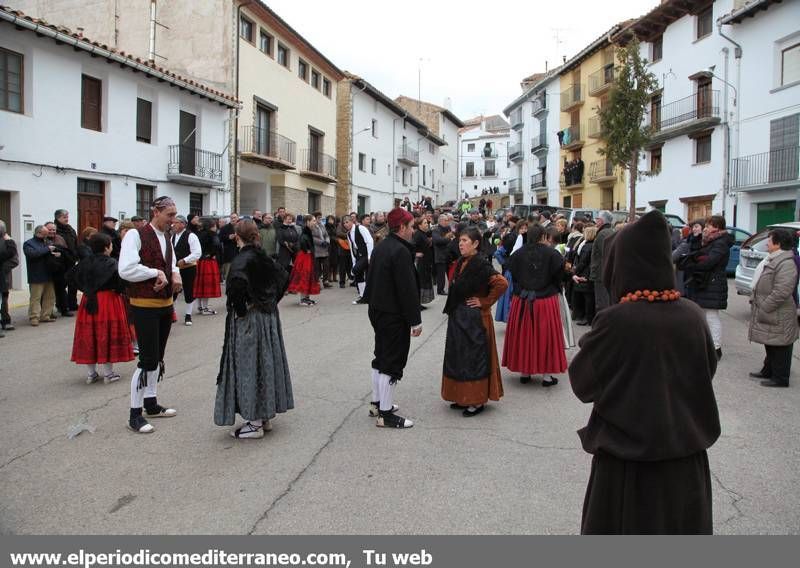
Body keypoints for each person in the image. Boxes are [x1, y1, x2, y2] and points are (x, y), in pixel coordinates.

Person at [569, 210, 720, 534]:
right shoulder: (693, 316)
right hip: (686, 468)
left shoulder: (617, 321)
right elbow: (707, 370)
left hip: (628, 471)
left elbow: (582, 383)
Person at [215, 219, 293, 438]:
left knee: (249, 366)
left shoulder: (242, 260)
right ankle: (263, 417)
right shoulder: (262, 255)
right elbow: (284, 277)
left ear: (237, 237)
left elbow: (237, 286)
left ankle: (255, 423)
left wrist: (242, 311)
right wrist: (270, 301)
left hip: (251, 319)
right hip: (267, 319)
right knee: (264, 363)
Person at [118, 196, 182, 434]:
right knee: (147, 360)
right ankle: (134, 414)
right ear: (156, 212)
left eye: (175, 215)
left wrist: (175, 274)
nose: (173, 220)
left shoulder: (166, 236)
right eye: (170, 215)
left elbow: (171, 262)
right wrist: (154, 271)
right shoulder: (136, 235)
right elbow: (125, 269)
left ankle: (151, 404)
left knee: (158, 357)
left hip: (165, 303)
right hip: (144, 304)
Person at [363, 208, 421, 428]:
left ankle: (378, 403)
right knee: (392, 361)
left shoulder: (382, 246)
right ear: (402, 227)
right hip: (392, 313)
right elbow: (407, 290)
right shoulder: (400, 251)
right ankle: (385, 415)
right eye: (412, 226)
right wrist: (415, 320)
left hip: (378, 309)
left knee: (381, 356)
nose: (413, 231)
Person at [441, 227, 508, 416]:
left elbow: (502, 283)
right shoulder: (463, 261)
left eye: (464, 240)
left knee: (474, 359)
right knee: (460, 358)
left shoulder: (480, 264)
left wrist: (484, 302)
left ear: (476, 244)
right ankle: (462, 397)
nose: (460, 244)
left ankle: (476, 401)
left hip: (474, 320)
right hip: (459, 318)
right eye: (459, 240)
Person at [502, 225, 567, 387]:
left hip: (523, 300)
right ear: (543, 237)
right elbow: (559, 275)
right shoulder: (552, 253)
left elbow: (511, 272)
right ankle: (546, 376)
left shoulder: (518, 254)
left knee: (525, 335)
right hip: (545, 300)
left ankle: (525, 372)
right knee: (546, 336)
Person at [70, 232, 134, 384]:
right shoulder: (112, 262)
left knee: (89, 334)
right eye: (111, 245)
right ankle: (108, 373)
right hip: (108, 300)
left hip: (88, 300)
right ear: (107, 247)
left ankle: (91, 374)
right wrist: (118, 291)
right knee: (106, 334)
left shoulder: (84, 262)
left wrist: (86, 289)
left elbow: (71, 277)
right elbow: (122, 282)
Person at [748, 229, 799, 388]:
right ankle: (768, 370)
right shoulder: (774, 259)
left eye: (769, 241)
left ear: (778, 244)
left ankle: (780, 378)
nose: (767, 243)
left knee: (781, 345)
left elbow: (782, 290)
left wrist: (764, 306)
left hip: (778, 311)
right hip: (771, 310)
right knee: (770, 342)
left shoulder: (786, 262)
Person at [680, 215, 733, 360]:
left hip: (713, 282)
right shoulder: (710, 240)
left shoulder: (720, 243)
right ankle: (706, 346)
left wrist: (695, 263)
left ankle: (716, 348)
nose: (706, 228)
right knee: (703, 315)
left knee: (711, 316)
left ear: (717, 227)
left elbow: (709, 261)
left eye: (709, 226)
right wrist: (697, 241)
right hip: (705, 280)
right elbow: (698, 254)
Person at [23, 225, 58, 326]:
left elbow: (47, 253)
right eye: (45, 233)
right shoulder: (28, 244)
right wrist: (48, 249)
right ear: (38, 233)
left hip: (48, 273)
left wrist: (55, 254)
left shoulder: (46, 242)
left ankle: (45, 315)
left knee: (50, 296)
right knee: (36, 298)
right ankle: (34, 317)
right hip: (36, 275)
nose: (47, 235)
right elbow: (33, 254)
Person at [171, 215, 202, 326]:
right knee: (173, 290)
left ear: (183, 224)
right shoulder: (172, 236)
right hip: (176, 268)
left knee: (188, 291)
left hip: (188, 268)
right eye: (173, 222)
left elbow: (197, 253)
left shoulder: (191, 236)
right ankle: (172, 313)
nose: (173, 224)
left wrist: (185, 260)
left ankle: (188, 315)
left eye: (176, 222)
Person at [287, 215, 320, 307]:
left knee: (309, 276)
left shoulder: (308, 231)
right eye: (313, 221)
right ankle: (303, 299)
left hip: (307, 256)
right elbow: (302, 243)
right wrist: (307, 250)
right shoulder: (305, 232)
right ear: (308, 222)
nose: (315, 222)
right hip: (305, 257)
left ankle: (306, 298)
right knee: (304, 276)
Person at [194, 218, 222, 315]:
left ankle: (200, 307)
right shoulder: (211, 234)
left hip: (198, 261)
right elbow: (217, 245)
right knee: (206, 286)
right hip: (208, 261)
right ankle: (205, 308)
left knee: (199, 285)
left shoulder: (197, 233)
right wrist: (212, 254)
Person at [54, 209, 80, 313]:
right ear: (58, 218)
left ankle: (72, 304)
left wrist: (77, 254)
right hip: (61, 261)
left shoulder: (70, 229)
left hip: (72, 260)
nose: (66, 219)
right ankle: (61, 305)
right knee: (61, 285)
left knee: (73, 284)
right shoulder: (54, 229)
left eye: (67, 217)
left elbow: (76, 242)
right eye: (64, 217)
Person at [571, 226, 596, 326]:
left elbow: (583, 262)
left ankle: (586, 317)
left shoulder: (586, 246)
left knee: (586, 298)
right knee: (587, 297)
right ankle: (586, 317)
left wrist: (575, 272)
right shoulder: (591, 245)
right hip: (588, 273)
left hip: (584, 274)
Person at [590, 210, 614, 312]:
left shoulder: (603, 234)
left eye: (597, 219)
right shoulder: (610, 231)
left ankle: (602, 326)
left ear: (601, 221)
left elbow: (606, 254)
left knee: (602, 303)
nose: (596, 222)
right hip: (604, 273)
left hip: (601, 274)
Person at [349, 214, 374, 304]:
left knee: (356, 270)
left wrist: (370, 256)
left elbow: (370, 241)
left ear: (352, 222)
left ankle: (368, 295)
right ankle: (363, 296)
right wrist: (354, 261)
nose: (345, 224)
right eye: (344, 223)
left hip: (366, 255)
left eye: (347, 222)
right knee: (358, 274)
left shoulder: (360, 228)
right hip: (359, 256)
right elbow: (352, 249)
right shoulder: (348, 234)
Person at [0, 220, 19, 336]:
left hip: (3, 277)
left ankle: (5, 320)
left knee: (3, 300)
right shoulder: (8, 242)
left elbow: (14, 260)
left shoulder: (5, 242)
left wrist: (3, 270)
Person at [413, 216, 435, 307]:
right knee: (421, 281)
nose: (427, 225)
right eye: (425, 223)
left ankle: (420, 302)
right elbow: (411, 246)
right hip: (421, 262)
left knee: (425, 280)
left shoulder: (423, 233)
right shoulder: (418, 234)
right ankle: (417, 303)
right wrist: (415, 254)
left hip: (426, 261)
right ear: (419, 225)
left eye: (427, 223)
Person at [432, 214, 454, 295]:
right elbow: (438, 241)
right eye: (446, 220)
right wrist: (447, 238)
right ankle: (440, 290)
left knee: (451, 273)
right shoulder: (436, 230)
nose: (447, 222)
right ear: (441, 221)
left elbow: (452, 238)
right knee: (441, 275)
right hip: (440, 256)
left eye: (447, 220)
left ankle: (452, 288)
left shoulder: (448, 228)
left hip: (448, 255)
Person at [311, 212, 331, 288]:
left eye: (321, 217)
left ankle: (326, 281)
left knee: (326, 266)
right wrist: (321, 242)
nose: (320, 219)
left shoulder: (322, 226)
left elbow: (326, 235)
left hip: (324, 249)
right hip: (316, 249)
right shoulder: (312, 226)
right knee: (317, 267)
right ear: (315, 218)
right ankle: (317, 282)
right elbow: (312, 237)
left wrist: (327, 241)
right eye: (319, 217)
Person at [219, 213, 240, 279]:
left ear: (238, 218)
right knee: (229, 274)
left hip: (240, 252)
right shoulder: (225, 228)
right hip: (230, 254)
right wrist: (228, 237)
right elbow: (220, 238)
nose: (233, 219)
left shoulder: (241, 226)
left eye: (235, 217)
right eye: (232, 218)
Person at [336, 216, 353, 288]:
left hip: (350, 249)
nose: (346, 223)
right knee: (342, 267)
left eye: (347, 221)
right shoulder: (340, 226)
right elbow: (339, 233)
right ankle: (342, 282)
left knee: (350, 266)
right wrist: (348, 235)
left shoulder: (352, 226)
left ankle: (352, 280)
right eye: (344, 221)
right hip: (342, 249)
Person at [325, 214, 340, 285]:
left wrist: (336, 239)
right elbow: (327, 236)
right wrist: (335, 239)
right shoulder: (325, 227)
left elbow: (336, 234)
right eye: (329, 219)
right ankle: (329, 277)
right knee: (329, 261)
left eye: (332, 219)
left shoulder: (334, 227)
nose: (331, 221)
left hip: (335, 246)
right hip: (329, 245)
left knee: (335, 261)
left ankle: (334, 276)